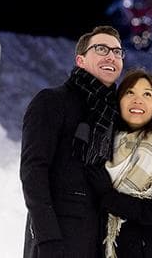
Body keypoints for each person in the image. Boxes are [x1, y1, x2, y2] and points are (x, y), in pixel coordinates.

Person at [20, 26, 126, 258]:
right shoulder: (52, 101)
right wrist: (47, 238)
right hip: (58, 239)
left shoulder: (118, 114)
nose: (111, 56)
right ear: (80, 60)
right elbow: (33, 171)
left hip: (100, 241)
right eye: (101, 49)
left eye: (118, 52)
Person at [87, 68, 152, 258]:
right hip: (111, 249)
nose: (137, 99)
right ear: (118, 101)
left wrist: (108, 198)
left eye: (147, 94)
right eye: (130, 92)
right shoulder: (102, 144)